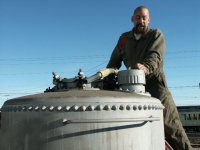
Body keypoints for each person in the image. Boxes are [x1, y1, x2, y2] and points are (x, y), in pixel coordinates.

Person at [106, 6, 192, 150]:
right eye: (138, 17)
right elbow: (114, 62)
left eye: (144, 17)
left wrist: (145, 68)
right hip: (131, 86)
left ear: (149, 19)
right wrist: (106, 74)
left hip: (154, 83)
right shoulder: (124, 39)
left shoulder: (156, 34)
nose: (141, 20)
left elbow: (155, 56)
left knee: (170, 124)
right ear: (132, 19)